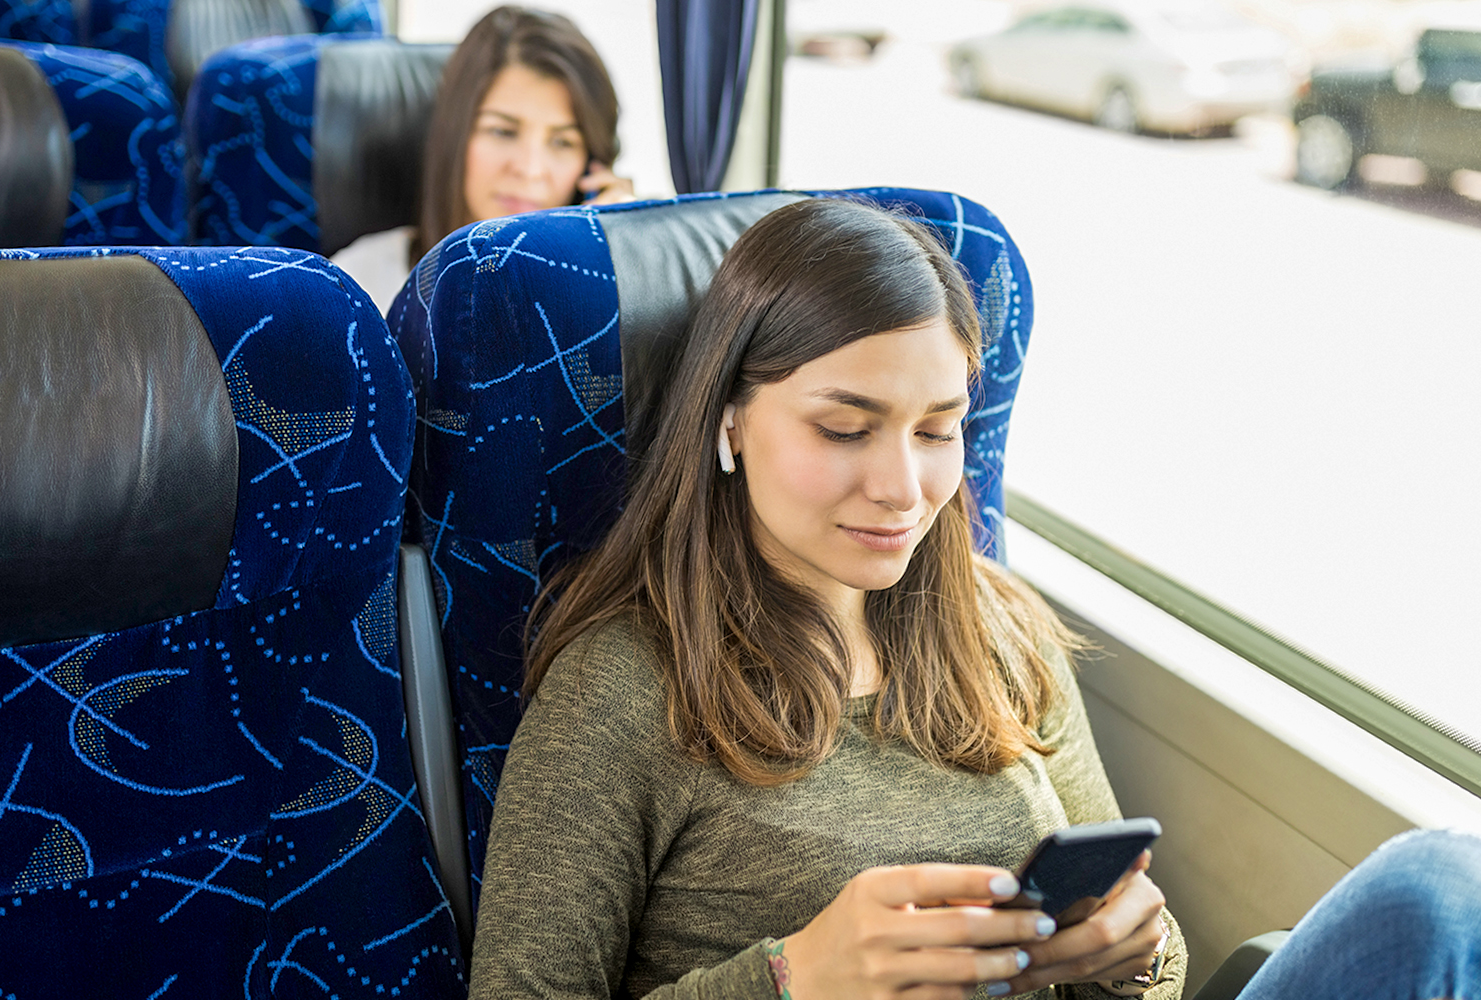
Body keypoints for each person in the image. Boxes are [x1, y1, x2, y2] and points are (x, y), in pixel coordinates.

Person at [465, 198, 1481, 1000]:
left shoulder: (998, 629)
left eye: (936, 428)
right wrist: (795, 981)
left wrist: (1133, 951)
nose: (904, 490)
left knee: (1441, 890)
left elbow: (1147, 968)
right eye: (845, 428)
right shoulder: (623, 686)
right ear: (730, 422)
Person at [330, 6, 632, 312]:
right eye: (502, 131)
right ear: (453, 135)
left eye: (563, 142)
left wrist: (624, 263)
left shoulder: (613, 290)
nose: (530, 169)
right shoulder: (354, 287)